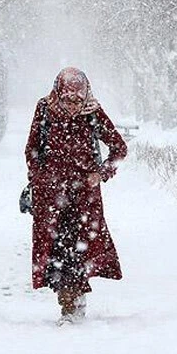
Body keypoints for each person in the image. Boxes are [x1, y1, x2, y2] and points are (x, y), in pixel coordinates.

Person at [24, 67, 127, 323]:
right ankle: (68, 301)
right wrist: (39, 178)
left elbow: (119, 148)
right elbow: (32, 149)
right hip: (51, 196)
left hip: (84, 198)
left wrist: (101, 174)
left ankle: (72, 304)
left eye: (77, 100)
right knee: (56, 251)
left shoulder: (93, 113)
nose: (72, 106)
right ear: (58, 93)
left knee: (79, 250)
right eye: (67, 99)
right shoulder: (45, 109)